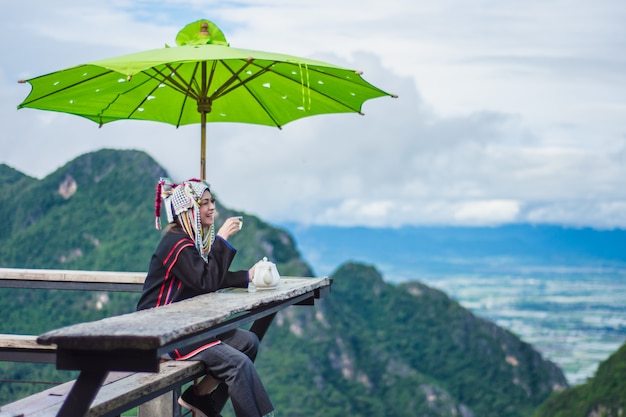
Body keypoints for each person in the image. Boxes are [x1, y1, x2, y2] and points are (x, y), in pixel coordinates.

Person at [136, 178, 274, 417]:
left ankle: (198, 396)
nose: (212, 208)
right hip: (162, 332)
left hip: (183, 324)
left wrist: (246, 277)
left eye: (212, 202)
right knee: (237, 364)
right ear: (188, 209)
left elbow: (206, 278)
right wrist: (221, 240)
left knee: (248, 342)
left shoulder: (187, 241)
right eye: (204, 203)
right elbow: (206, 282)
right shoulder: (176, 244)